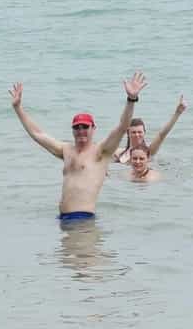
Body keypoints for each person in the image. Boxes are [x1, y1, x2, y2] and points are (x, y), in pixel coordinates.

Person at [10, 72, 147, 220]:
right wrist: (18, 108)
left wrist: (131, 99)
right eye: (77, 127)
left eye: (85, 127)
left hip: (83, 220)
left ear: (93, 129)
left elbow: (122, 126)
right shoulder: (66, 150)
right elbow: (37, 134)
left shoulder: (101, 151)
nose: (81, 130)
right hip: (63, 220)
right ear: (73, 130)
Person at [114, 96, 188, 163]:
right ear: (128, 133)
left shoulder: (150, 151)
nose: (137, 135)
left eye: (139, 132)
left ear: (144, 133)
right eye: (133, 132)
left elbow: (162, 135)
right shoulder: (119, 153)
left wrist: (177, 113)